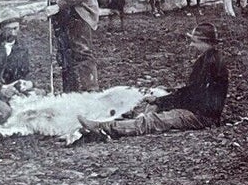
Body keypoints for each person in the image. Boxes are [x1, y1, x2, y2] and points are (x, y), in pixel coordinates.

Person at [80, 22, 228, 139]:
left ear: (205, 42)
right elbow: (192, 92)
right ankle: (114, 123)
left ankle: (104, 128)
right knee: (154, 109)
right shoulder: (209, 59)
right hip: (200, 110)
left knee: (153, 121)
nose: (191, 45)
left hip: (202, 116)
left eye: (194, 42)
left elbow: (194, 95)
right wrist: (163, 100)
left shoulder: (211, 63)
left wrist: (162, 101)